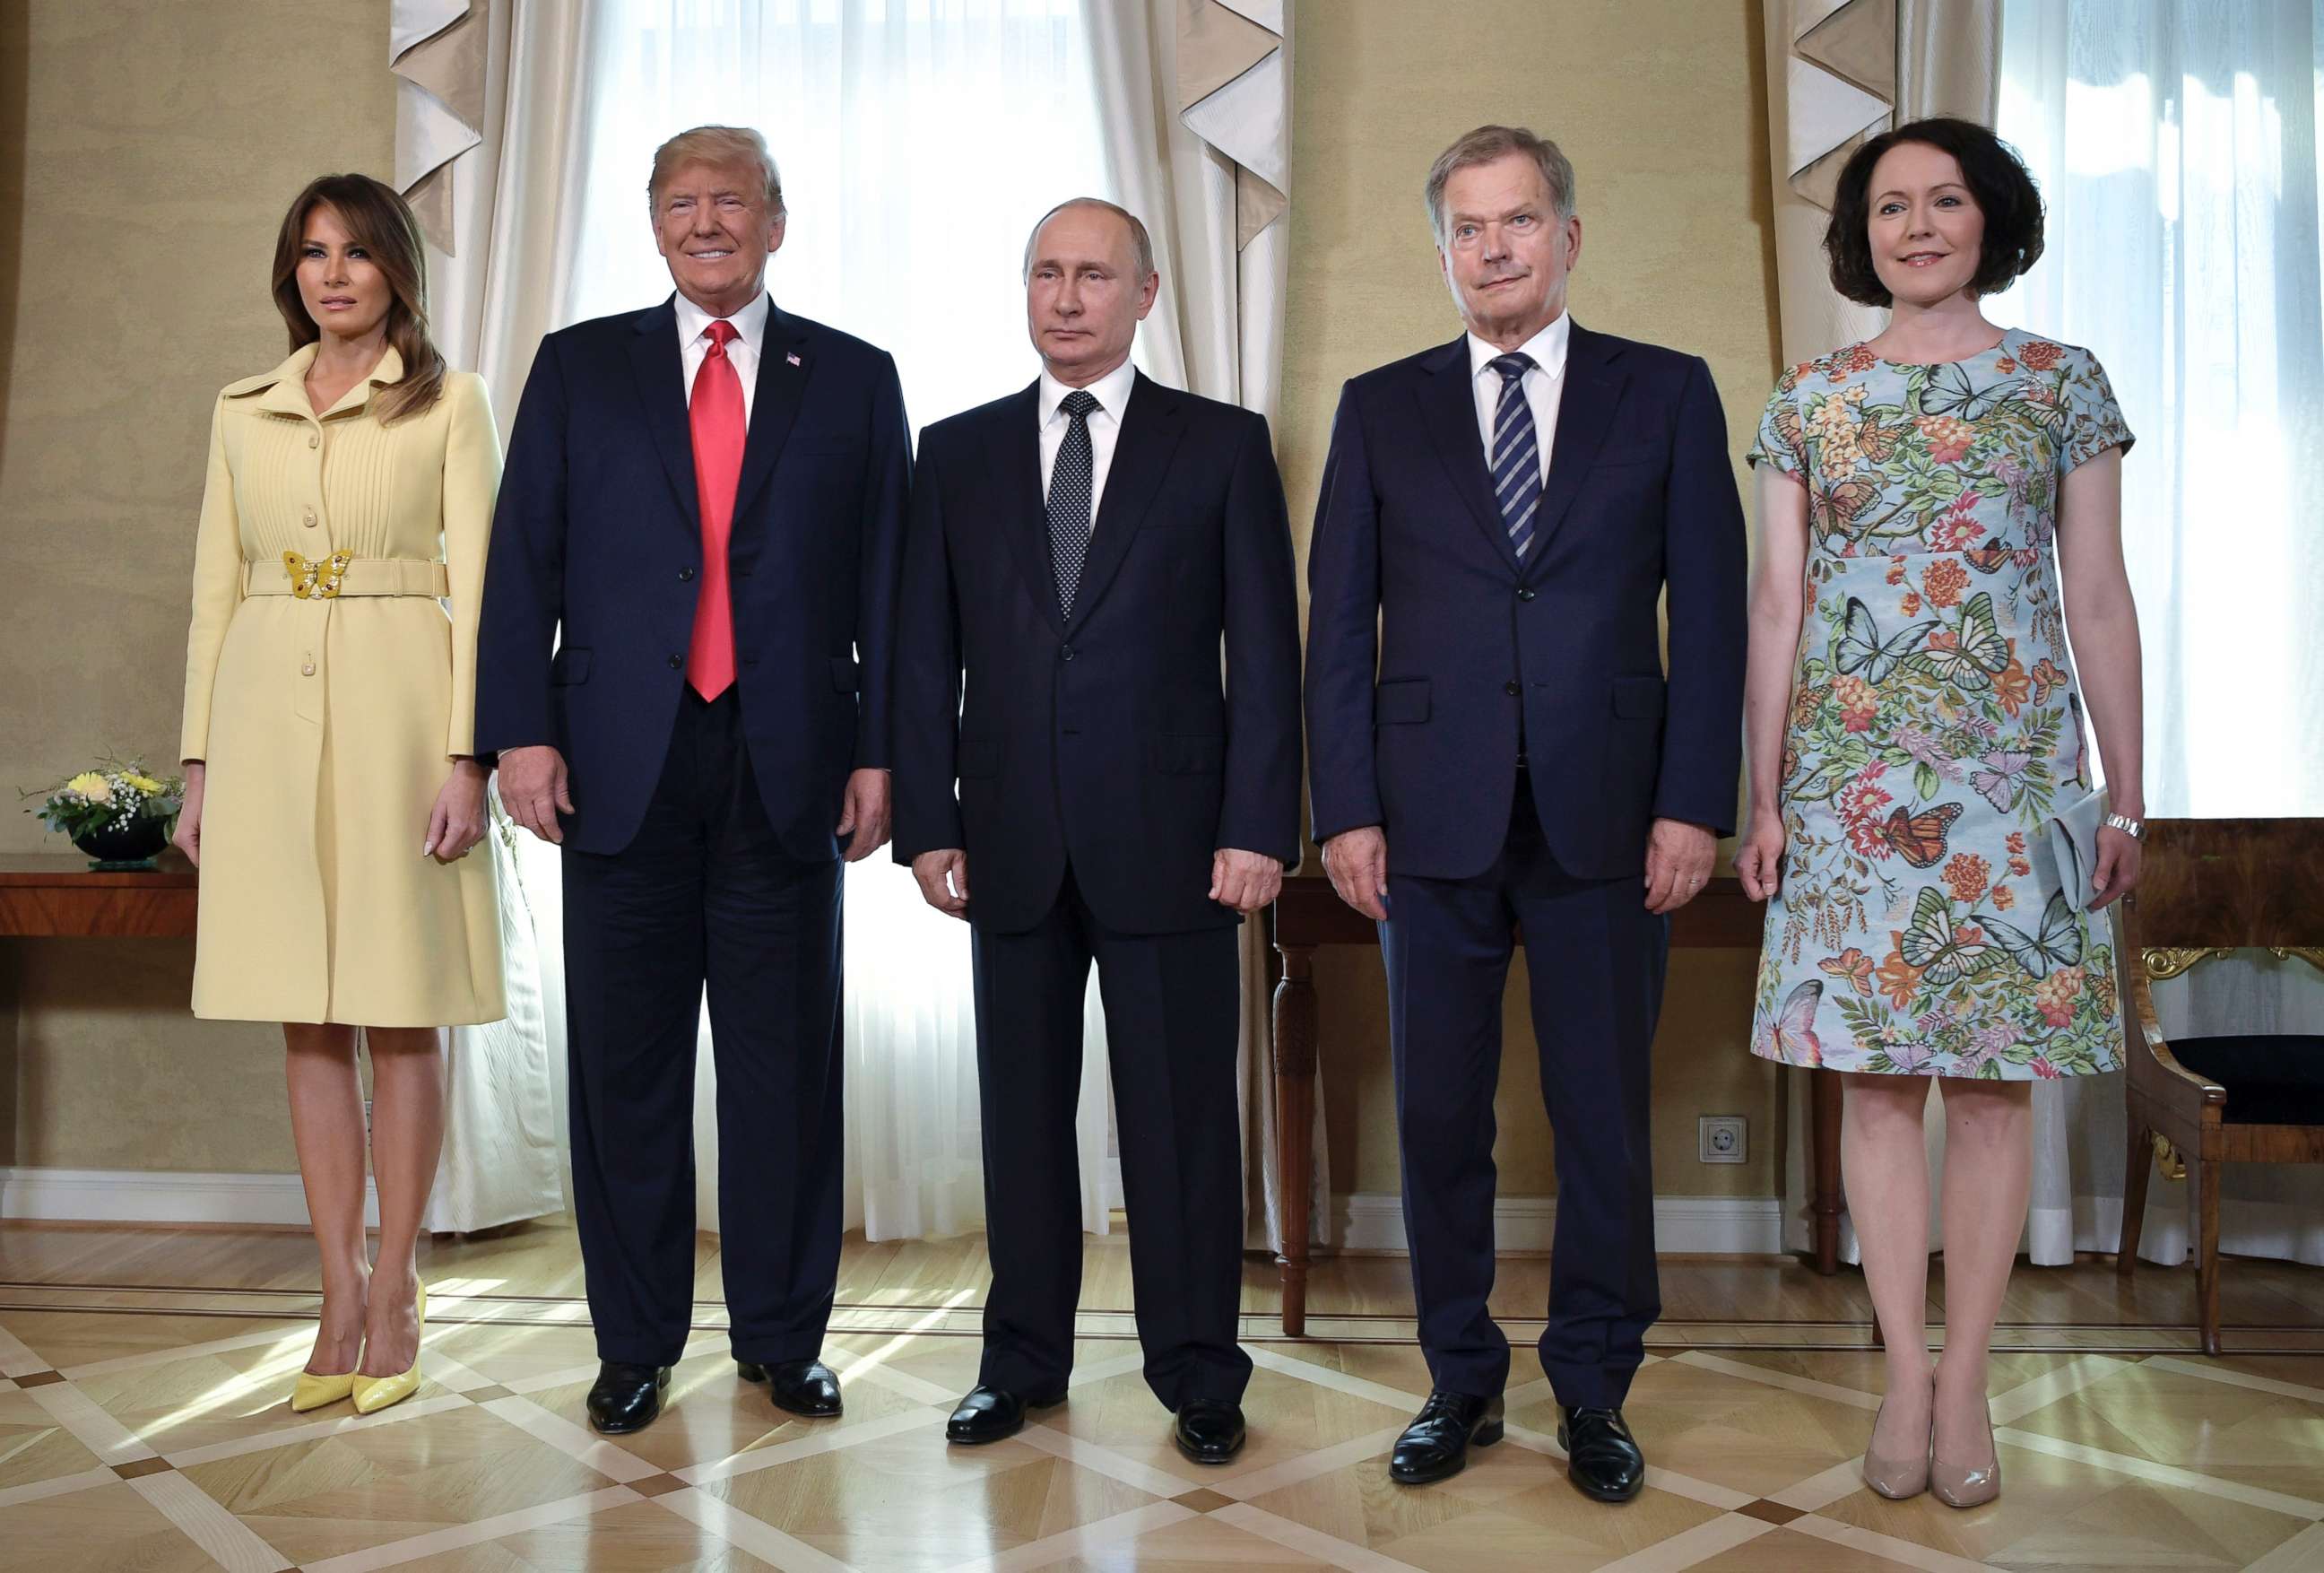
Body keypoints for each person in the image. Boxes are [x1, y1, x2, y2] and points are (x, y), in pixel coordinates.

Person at [1304, 126, 1746, 1502]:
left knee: (1601, 1111)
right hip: (1423, 823)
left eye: (1519, 221)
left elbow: (1715, 616)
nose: (1493, 247)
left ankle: (1596, 1388)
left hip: (1613, 820)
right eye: (1467, 228)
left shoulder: (1666, 394)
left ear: (1568, 235)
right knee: (1440, 1115)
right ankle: (1460, 1378)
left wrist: (1693, 804)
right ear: (1443, 249)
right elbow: (1338, 629)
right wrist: (1346, 809)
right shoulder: (1380, 407)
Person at [474, 126, 910, 1435]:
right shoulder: (577, 368)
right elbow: (521, 565)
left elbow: (889, 586)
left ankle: (784, 1338)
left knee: (785, 1069)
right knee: (629, 1068)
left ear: (779, 220)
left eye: (732, 200)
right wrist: (521, 732)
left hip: (793, 762)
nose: (706, 221)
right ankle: (635, 1342)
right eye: (682, 203)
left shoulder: (851, 377)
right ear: (653, 225)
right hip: (618, 764)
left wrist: (884, 747)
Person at [1737, 117, 2143, 1509]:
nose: (1918, 225)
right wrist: (1765, 795)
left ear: (1992, 219)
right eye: (1891, 205)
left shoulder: (2061, 385)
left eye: (1946, 200)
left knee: (1989, 1087)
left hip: (2018, 779)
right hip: (1851, 787)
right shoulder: (1809, 398)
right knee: (1871, 1083)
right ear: (1862, 234)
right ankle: (1901, 1370)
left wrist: (2128, 795)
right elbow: (1777, 607)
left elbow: (2096, 594)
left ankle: (1967, 1370)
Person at [891, 197, 1301, 1464]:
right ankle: (1019, 1360)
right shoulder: (953, 453)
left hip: (1180, 839)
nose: (1067, 297)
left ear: (1148, 293)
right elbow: (922, 655)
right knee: (1019, 1117)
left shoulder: (1223, 446)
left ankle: (1198, 1370)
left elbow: (1266, 657)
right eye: (1046, 274)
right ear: (1026, 293)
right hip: (1007, 835)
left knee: (1181, 1119)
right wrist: (927, 819)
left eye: (1094, 275)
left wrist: (1258, 825)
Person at [176, 173, 502, 1418]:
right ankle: (334, 1287)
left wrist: (468, 754)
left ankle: (399, 1288)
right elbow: (215, 590)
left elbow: (482, 592)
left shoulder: (448, 404)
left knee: (397, 1004)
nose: (332, 273)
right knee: (302, 1015)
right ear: (291, 273)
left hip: (402, 718)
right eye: (312, 252)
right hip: (264, 720)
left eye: (357, 251)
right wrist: (199, 762)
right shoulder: (239, 410)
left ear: (396, 269)